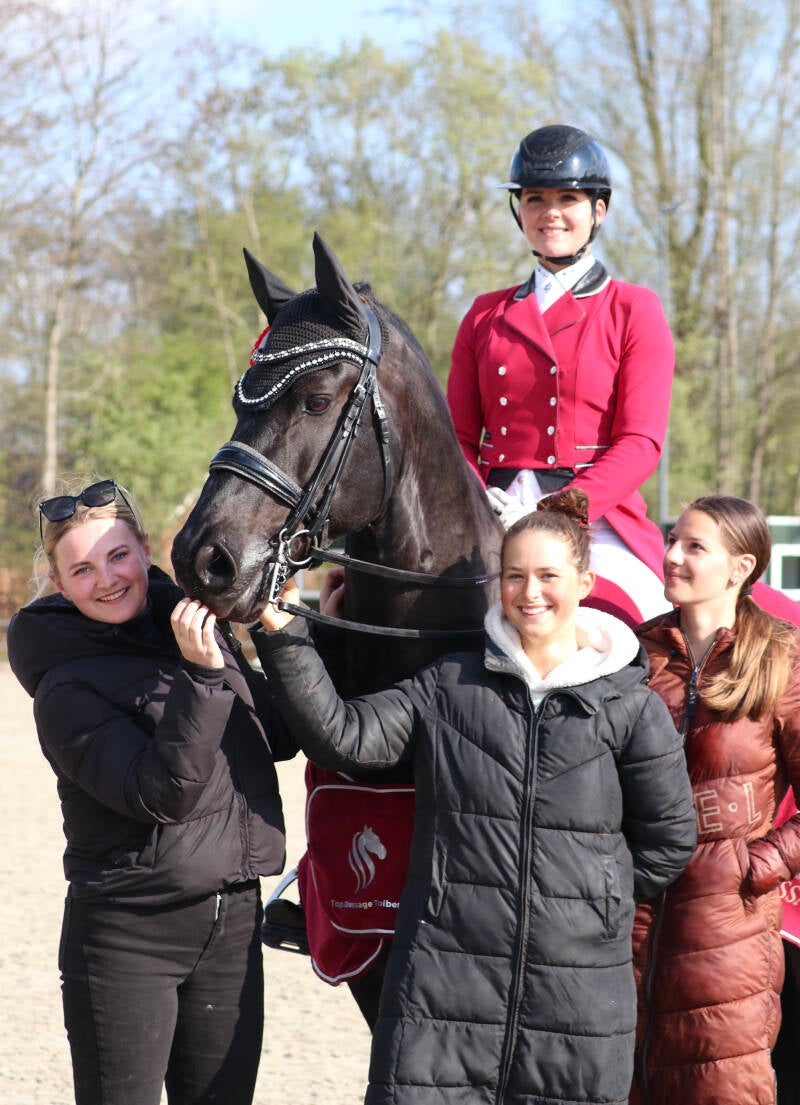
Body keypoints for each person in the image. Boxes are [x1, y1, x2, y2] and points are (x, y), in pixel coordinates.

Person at [252, 488, 697, 1105]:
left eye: (548, 575)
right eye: (515, 575)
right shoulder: (448, 684)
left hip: (579, 995)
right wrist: (283, 632)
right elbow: (344, 738)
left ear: (585, 582)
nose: (530, 592)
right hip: (442, 982)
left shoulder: (632, 709)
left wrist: (593, 896)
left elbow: (669, 842)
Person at [7, 478, 293, 1105]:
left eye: (116, 555)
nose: (106, 579)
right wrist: (200, 675)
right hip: (127, 937)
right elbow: (162, 795)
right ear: (59, 585)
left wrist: (274, 629)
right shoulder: (64, 688)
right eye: (81, 569)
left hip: (233, 919)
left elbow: (276, 735)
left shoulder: (190, 626)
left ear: (143, 550)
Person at [446, 123, 674, 626]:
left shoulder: (633, 308)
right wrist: (477, 498)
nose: (550, 212)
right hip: (492, 507)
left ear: (598, 210)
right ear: (519, 210)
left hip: (594, 519)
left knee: (647, 630)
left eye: (567, 198)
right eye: (534, 198)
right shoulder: (484, 314)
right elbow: (458, 436)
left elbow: (641, 442)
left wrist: (563, 511)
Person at [630, 495, 800, 1105]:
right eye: (672, 539)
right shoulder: (634, 654)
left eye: (694, 546)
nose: (671, 555)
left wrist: (756, 866)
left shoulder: (781, 658)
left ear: (739, 567)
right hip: (628, 922)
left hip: (728, 931)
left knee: (718, 1083)